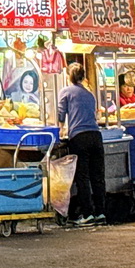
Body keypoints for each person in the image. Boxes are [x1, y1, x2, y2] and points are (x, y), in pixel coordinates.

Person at [57, 62, 105, 225]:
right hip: (96, 136)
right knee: (97, 177)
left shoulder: (66, 91)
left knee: (82, 177)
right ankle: (101, 212)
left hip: (79, 137)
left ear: (68, 76)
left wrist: (61, 129)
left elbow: (60, 114)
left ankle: (87, 214)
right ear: (83, 77)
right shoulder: (90, 94)